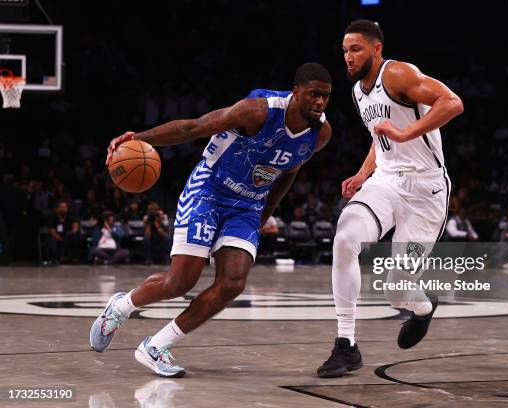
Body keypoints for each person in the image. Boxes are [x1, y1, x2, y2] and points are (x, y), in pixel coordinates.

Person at [90, 63, 333, 378]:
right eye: (314, 94)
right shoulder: (256, 111)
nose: (319, 102)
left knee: (233, 283)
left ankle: (156, 346)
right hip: (209, 191)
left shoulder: (320, 134)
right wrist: (139, 137)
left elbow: (290, 171)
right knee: (180, 282)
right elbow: (193, 127)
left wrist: (266, 213)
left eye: (325, 97)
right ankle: (120, 309)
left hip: (247, 206)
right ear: (296, 90)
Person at [318, 20, 463, 378]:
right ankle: (346, 344)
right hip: (385, 182)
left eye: (356, 49)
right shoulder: (357, 92)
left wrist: (405, 132)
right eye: (345, 51)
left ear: (376, 49)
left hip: (425, 192)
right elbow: (379, 136)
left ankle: (424, 307)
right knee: (346, 238)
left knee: (397, 290)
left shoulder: (397, 73)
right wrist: (363, 173)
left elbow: (452, 102)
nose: (348, 57)